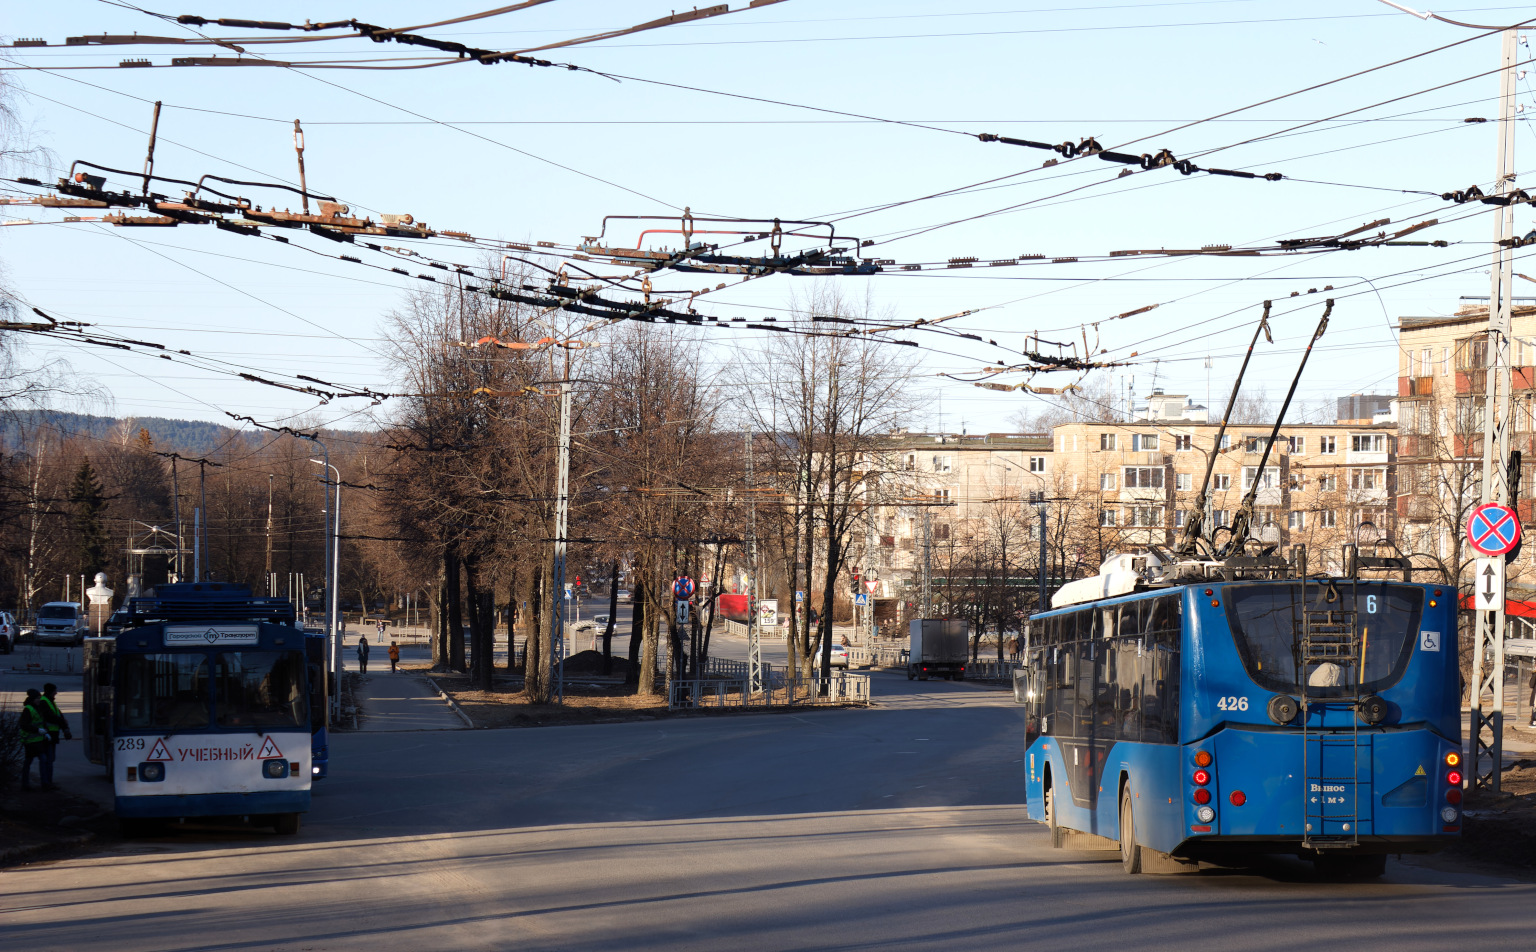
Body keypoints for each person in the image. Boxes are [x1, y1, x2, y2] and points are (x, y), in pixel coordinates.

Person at [18, 689, 50, 791]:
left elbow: (42, 722)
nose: (39, 700)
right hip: (30, 741)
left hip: (38, 740)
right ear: (32, 699)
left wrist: (45, 732)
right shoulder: (28, 709)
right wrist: (38, 730)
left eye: (39, 698)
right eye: (37, 698)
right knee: (32, 761)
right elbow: (23, 725)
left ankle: (41, 783)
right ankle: (28, 784)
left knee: (38, 760)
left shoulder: (37, 708)